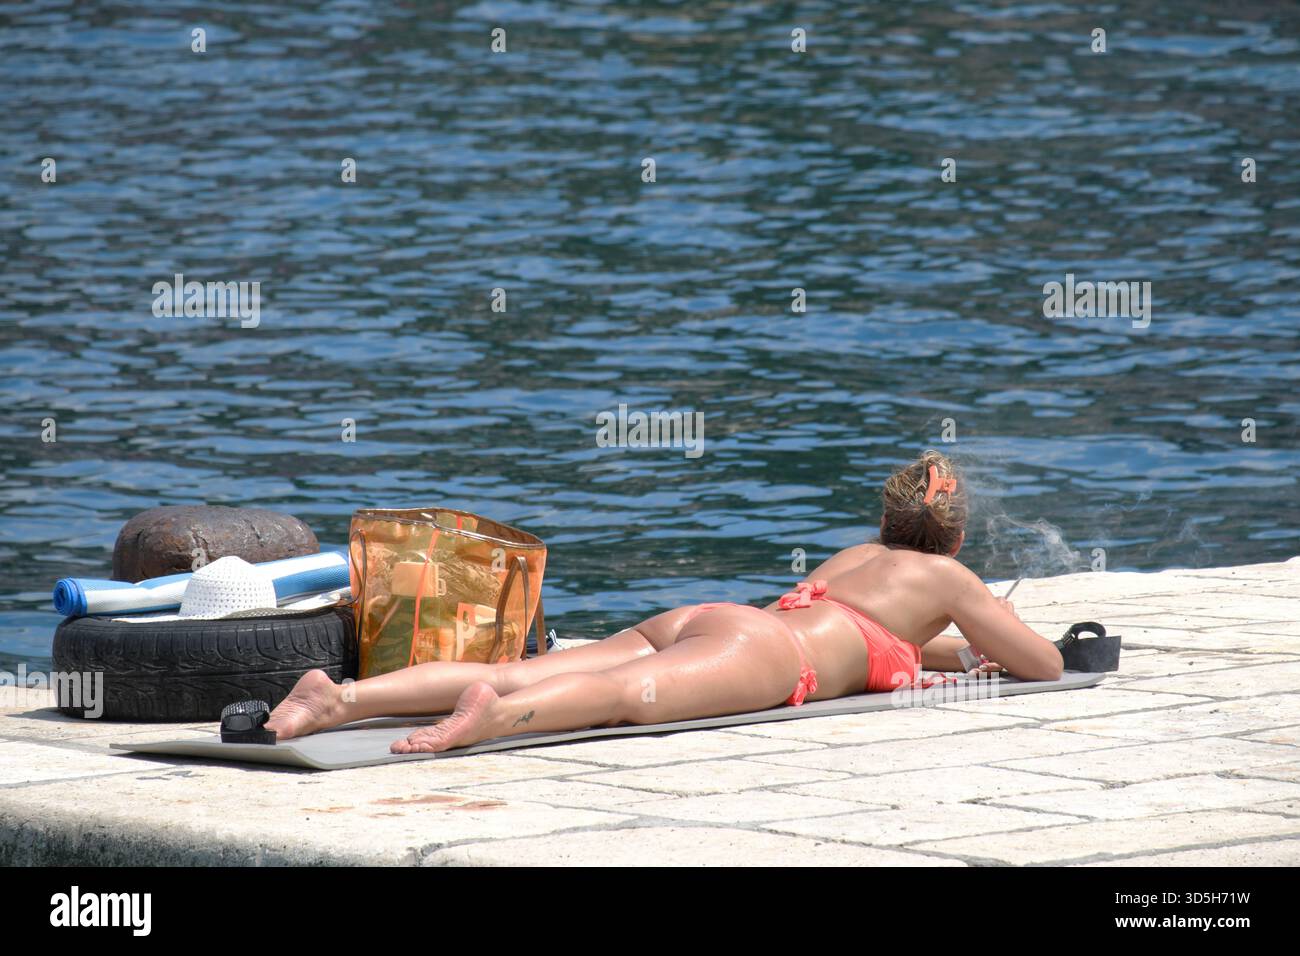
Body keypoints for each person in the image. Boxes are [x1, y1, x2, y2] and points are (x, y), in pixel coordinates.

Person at [266, 450, 1063, 752]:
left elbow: (893, 645)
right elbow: (1046, 664)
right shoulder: (952, 581)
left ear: (887, 523)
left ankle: (340, 699)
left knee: (518, 668)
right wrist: (987, 632)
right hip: (769, 657)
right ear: (953, 542)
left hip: (716, 622)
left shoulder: (857, 559)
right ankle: (493, 721)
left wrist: (953, 656)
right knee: (622, 701)